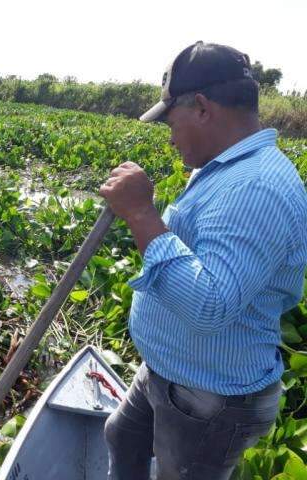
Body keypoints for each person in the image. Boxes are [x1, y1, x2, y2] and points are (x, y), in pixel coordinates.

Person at [99, 41, 307, 479]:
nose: (170, 136)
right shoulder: (223, 167)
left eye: (171, 121)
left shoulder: (256, 189)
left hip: (208, 396)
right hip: (171, 369)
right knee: (122, 435)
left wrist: (141, 214)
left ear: (202, 108)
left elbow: (209, 305)